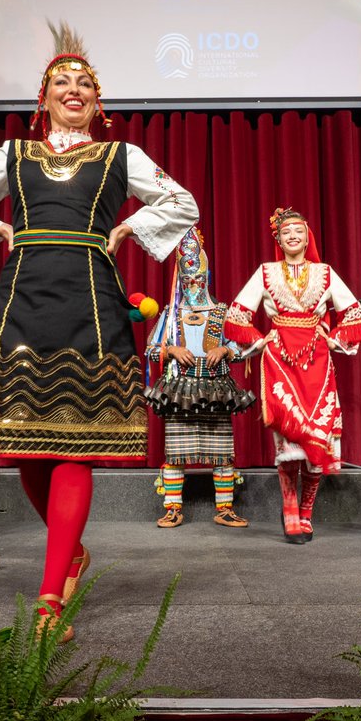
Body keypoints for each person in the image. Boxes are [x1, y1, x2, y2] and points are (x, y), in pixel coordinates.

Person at [0, 23, 198, 639]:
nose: (74, 88)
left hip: (93, 301)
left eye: (85, 82)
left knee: (76, 445)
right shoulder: (13, 154)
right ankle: (71, 552)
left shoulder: (121, 156)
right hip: (23, 299)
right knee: (23, 445)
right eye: (63, 81)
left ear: (98, 100)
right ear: (44, 96)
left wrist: (128, 230)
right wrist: (2, 231)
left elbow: (182, 202)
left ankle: (50, 595)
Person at [224, 207, 361, 544]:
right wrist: (260, 340)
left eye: (298, 231)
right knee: (289, 439)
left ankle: (307, 509)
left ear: (307, 237)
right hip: (279, 360)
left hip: (318, 361)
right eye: (286, 232)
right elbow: (236, 315)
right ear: (278, 239)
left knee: (319, 435)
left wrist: (334, 338)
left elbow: (353, 313)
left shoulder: (325, 273)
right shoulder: (265, 273)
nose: (293, 236)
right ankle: (290, 509)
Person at [144, 225, 255, 528]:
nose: (193, 284)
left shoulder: (222, 311)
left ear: (207, 279)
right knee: (176, 452)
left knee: (221, 451)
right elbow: (150, 350)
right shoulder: (170, 313)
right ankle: (173, 507)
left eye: (198, 279)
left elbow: (244, 350)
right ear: (180, 280)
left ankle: (225, 509)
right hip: (179, 389)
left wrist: (227, 352)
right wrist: (171, 351)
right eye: (187, 279)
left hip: (217, 388)